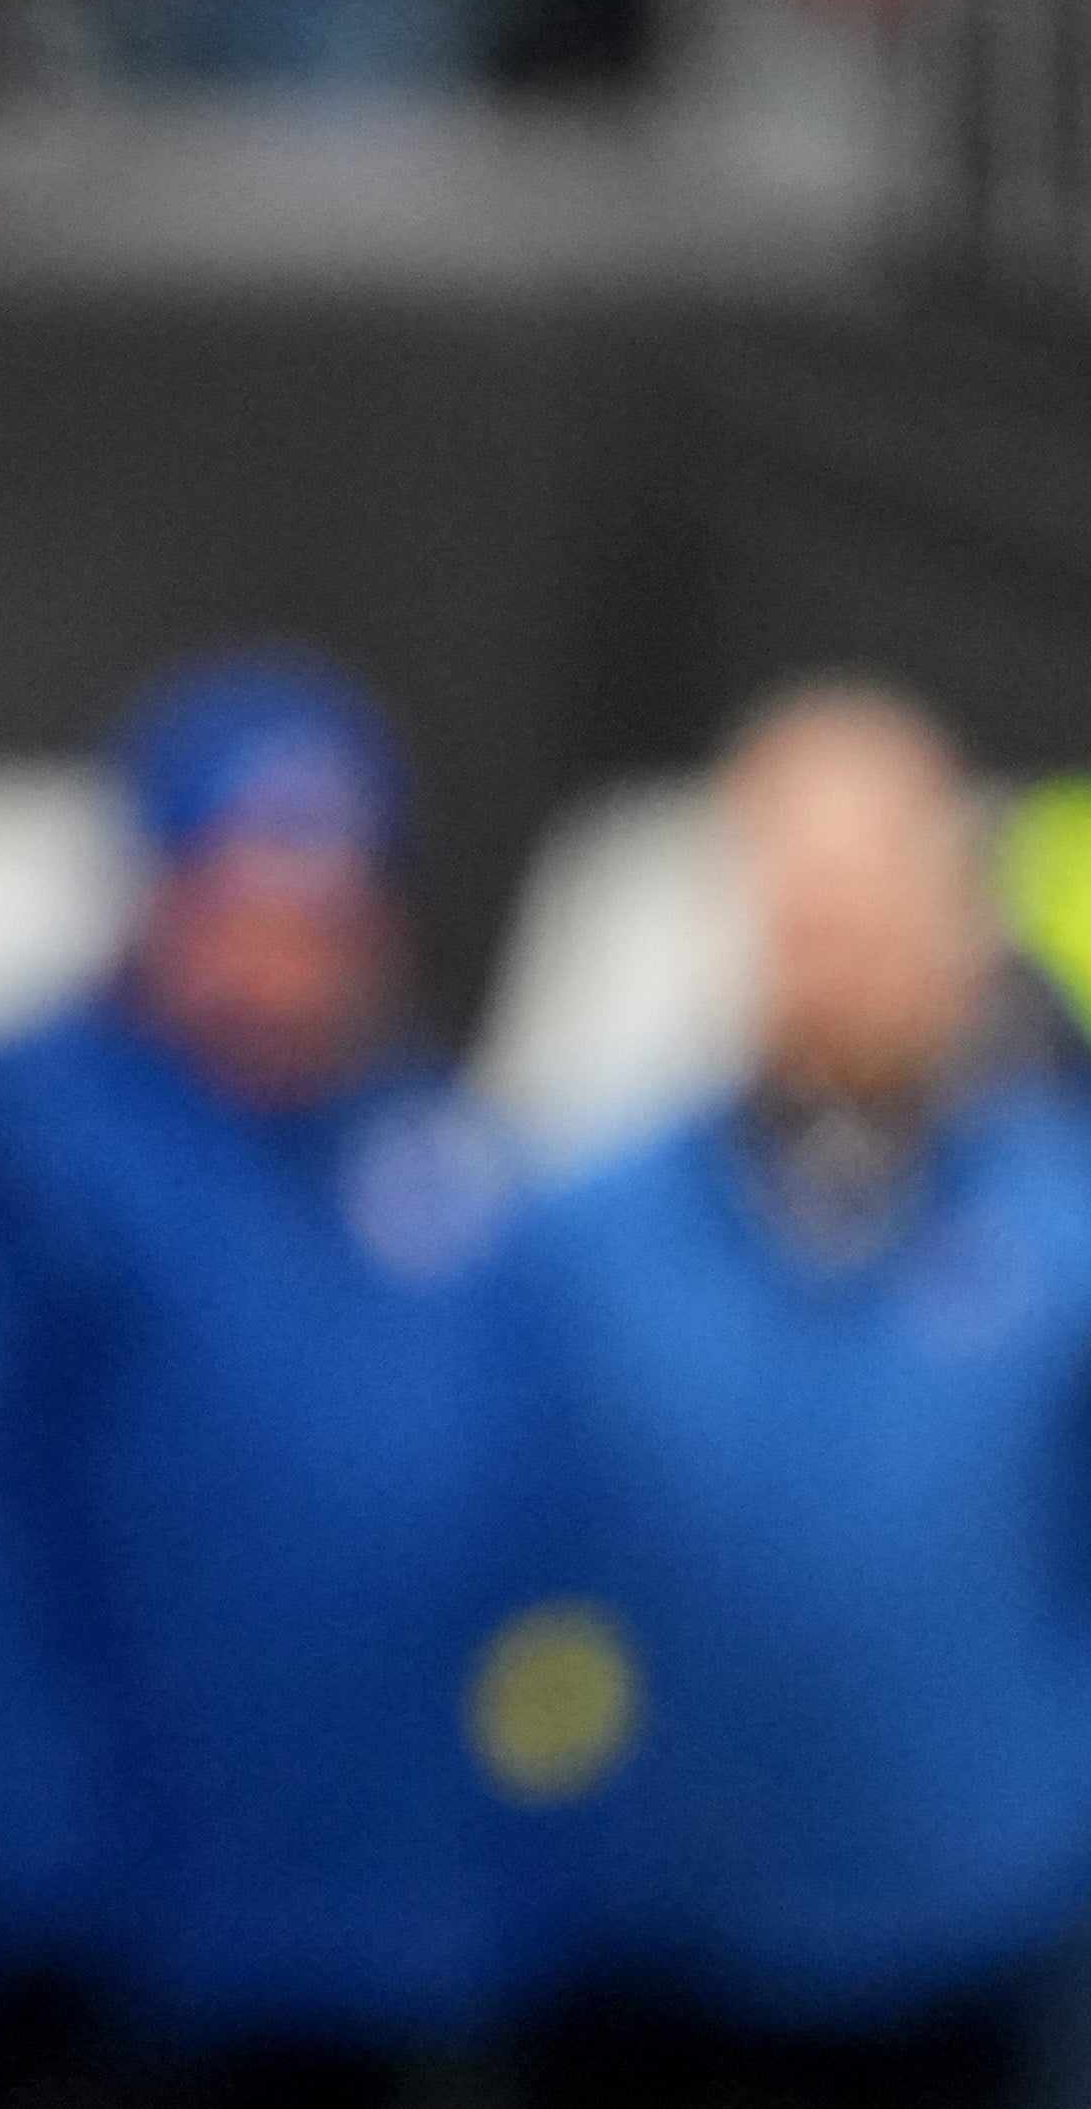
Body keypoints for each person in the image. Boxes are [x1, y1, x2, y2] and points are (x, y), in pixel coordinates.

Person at [0, 650, 565, 2102]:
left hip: (388, 1939)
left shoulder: (428, 1151)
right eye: (241, 903)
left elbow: (520, 1510)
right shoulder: (19, 1148)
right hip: (120, 1960)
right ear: (157, 905)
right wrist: (40, 1882)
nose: (283, 955)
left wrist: (517, 1868)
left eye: (326, 911)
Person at [514, 683, 1091, 2109]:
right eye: (797, 894)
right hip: (659, 1959)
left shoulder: (1064, 1221)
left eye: (873, 889)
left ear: (954, 909)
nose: (831, 944)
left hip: (988, 1960)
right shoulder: (588, 1235)